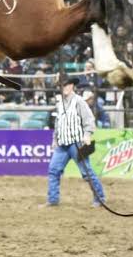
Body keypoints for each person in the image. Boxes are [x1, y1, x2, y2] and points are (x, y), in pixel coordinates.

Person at [44, 74, 105, 207]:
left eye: (66, 84)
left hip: (77, 143)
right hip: (62, 144)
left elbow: (89, 119)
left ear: (72, 86)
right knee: (54, 170)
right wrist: (55, 140)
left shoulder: (79, 101)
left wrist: (87, 134)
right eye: (62, 85)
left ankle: (100, 198)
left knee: (87, 173)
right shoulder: (60, 104)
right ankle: (53, 199)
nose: (64, 87)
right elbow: (58, 124)